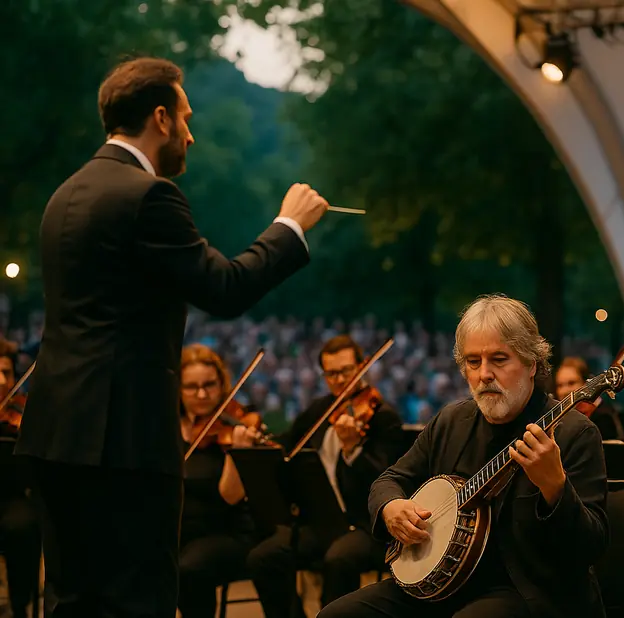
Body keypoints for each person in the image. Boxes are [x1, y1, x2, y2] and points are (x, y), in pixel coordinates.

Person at [14, 56, 330, 617]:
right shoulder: (148, 196)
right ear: (160, 118)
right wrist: (289, 226)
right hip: (124, 443)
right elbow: (224, 290)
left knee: (71, 601)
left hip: (54, 435)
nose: (191, 132)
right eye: (185, 117)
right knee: (140, 602)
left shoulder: (64, 196)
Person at [317, 294, 609, 618]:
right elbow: (389, 480)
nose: (484, 374)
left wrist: (555, 487)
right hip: (444, 585)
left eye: (499, 359)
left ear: (532, 364)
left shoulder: (573, 433)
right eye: (473, 362)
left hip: (529, 591)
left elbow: (590, 547)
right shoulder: (451, 421)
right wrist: (391, 507)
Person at [246, 335, 405, 617]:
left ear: (363, 366)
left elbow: (384, 482)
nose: (340, 380)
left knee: (339, 558)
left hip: (365, 525)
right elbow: (286, 445)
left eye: (347, 371)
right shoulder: (319, 410)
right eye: (331, 374)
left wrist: (353, 449)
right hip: (323, 521)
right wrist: (258, 440)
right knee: (265, 557)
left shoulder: (383, 418)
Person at [176, 344, 259, 618]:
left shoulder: (233, 428)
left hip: (225, 533)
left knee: (189, 567)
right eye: (191, 387)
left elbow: (230, 496)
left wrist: (238, 453)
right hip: (179, 531)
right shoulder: (166, 427)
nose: (201, 394)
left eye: (209, 385)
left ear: (222, 384)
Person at [0, 352, 42, 618]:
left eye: (7, 373)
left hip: (11, 497)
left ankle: (20, 605)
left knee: (23, 526)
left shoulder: (20, 413)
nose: (1, 380)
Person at [553, 356, 623, 440]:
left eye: (571, 383)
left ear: (585, 383)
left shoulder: (602, 417)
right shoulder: (555, 418)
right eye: (560, 385)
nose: (564, 391)